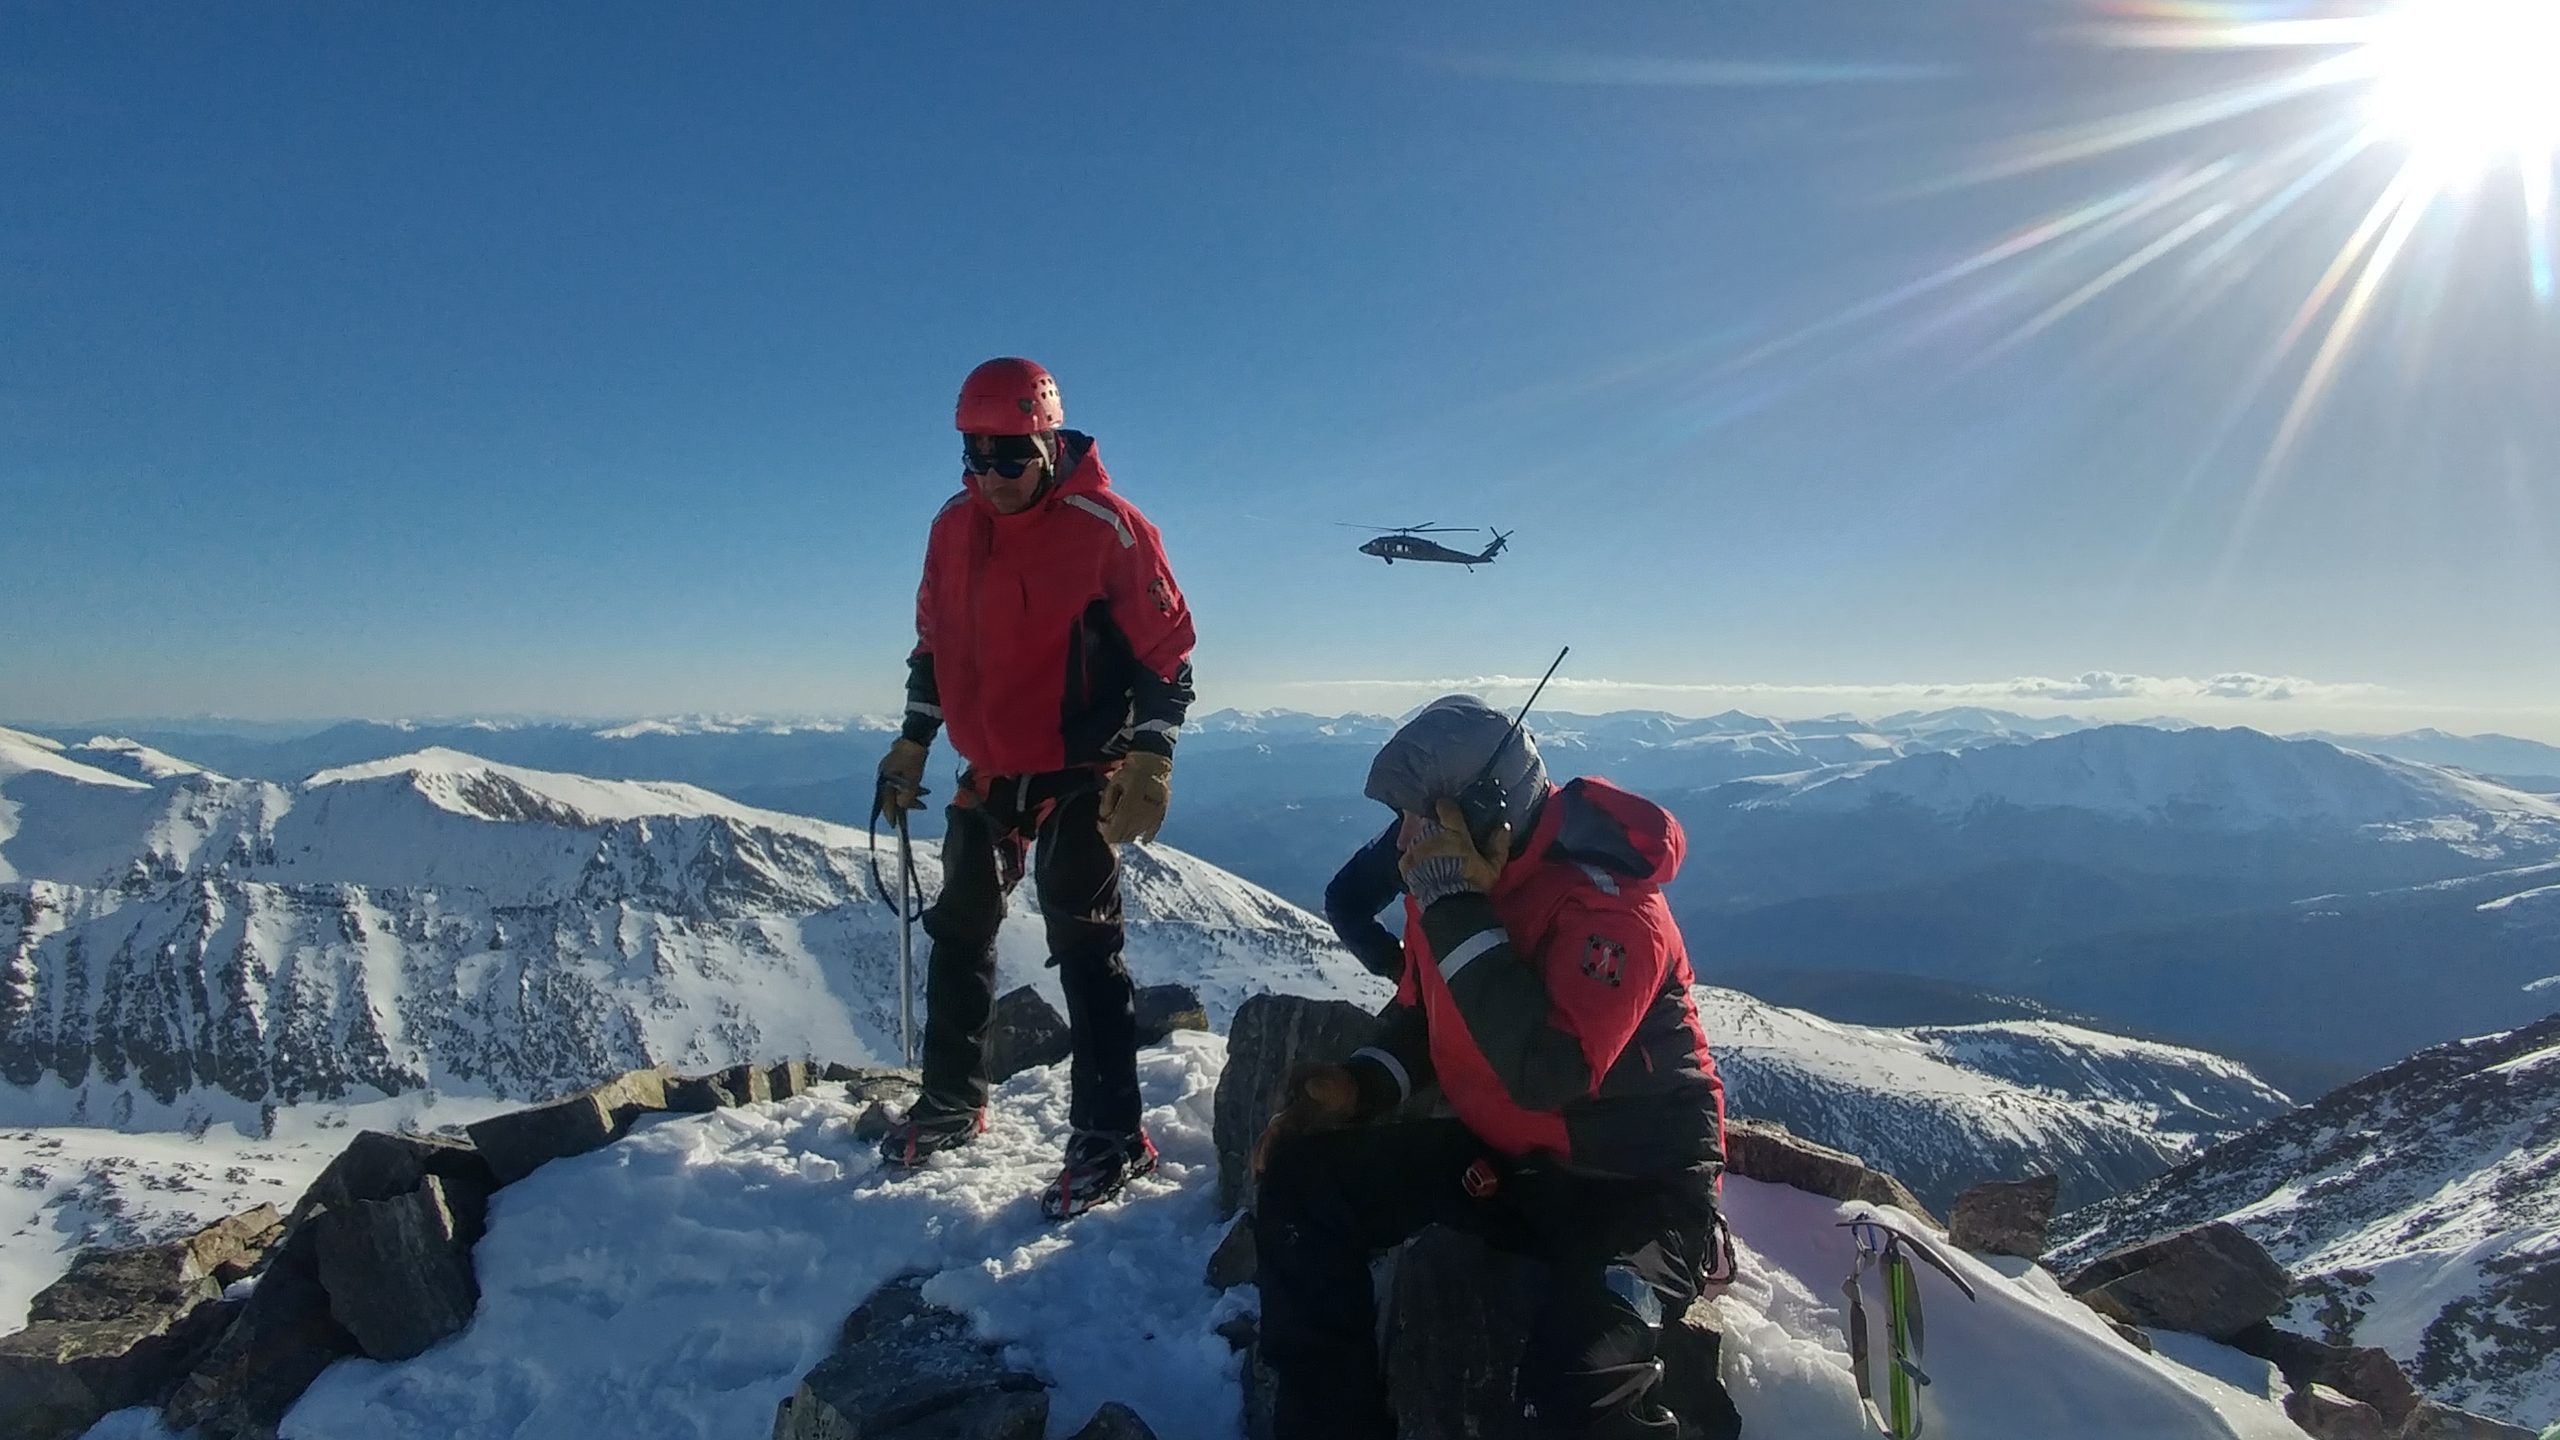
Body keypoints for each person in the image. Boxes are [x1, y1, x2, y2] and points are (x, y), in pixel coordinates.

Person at [1254, 696, 1728, 1437]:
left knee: (1577, 1393)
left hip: (1633, 1186)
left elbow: (1546, 1074)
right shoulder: (1450, 885)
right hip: (1507, 1159)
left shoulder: (1613, 910)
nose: (1406, 838)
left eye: (1424, 816)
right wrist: (1362, 1084)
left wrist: (1452, 905)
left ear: (1494, 812)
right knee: (1302, 1187)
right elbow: (1424, 1013)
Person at [873, 356, 1197, 1220]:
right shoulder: (952, 527)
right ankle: (950, 1097)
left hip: (1081, 772)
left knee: (1087, 953)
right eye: (973, 457)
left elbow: (1168, 659)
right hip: (989, 771)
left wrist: (1152, 757)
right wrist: (914, 742)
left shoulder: (1108, 528)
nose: (989, 476)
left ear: (1047, 440)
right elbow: (934, 645)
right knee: (960, 928)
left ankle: (1112, 1136)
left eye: (1008, 457)